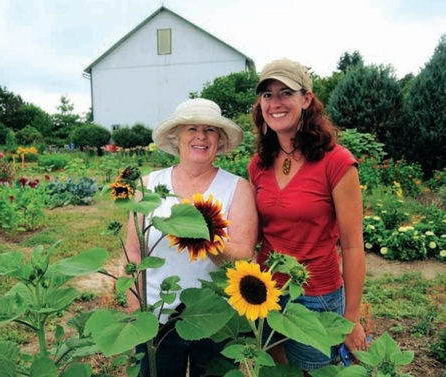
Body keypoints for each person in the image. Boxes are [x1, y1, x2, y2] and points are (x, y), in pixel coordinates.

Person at [247, 58, 367, 373]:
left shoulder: (336, 163)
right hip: (267, 291)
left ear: (306, 99)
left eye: (285, 92)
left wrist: (351, 317)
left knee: (315, 371)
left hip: (316, 296)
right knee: (275, 372)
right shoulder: (258, 165)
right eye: (267, 95)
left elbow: (353, 244)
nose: (275, 103)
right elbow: (256, 235)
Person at [125, 98, 258, 377]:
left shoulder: (237, 188)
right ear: (177, 137)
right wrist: (137, 307)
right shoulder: (149, 185)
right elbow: (133, 253)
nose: (201, 136)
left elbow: (245, 254)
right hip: (157, 314)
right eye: (191, 129)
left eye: (210, 130)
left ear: (219, 140)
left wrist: (205, 238)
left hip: (215, 316)